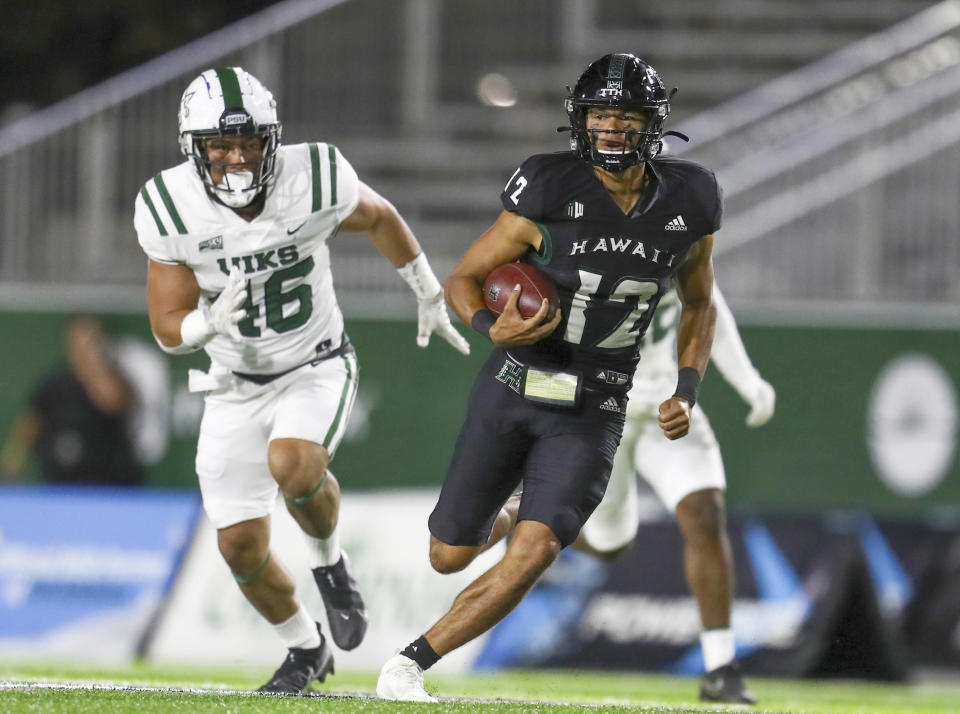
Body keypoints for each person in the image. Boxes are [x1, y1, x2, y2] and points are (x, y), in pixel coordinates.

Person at [377, 53, 721, 702]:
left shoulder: (692, 197)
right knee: (448, 554)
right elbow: (464, 277)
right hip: (515, 382)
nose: (611, 130)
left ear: (652, 125)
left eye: (625, 118)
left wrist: (686, 385)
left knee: (537, 550)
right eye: (600, 116)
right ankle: (511, 507)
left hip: (599, 401)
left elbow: (700, 302)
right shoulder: (547, 187)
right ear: (579, 121)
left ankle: (409, 663)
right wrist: (486, 325)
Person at [133, 66, 469, 694]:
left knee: (293, 463)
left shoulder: (312, 177)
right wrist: (204, 327)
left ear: (272, 140)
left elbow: (379, 216)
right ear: (193, 148)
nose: (236, 158)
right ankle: (305, 649)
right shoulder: (168, 206)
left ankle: (329, 563)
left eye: (249, 142)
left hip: (316, 360)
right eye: (220, 145)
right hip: (233, 380)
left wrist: (425, 290)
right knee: (239, 547)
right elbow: (165, 325)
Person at [575, 281, 775, 704]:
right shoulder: (590, 226)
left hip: (665, 399)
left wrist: (748, 381)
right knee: (611, 543)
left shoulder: (683, 228)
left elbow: (707, 304)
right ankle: (528, 515)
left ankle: (721, 669)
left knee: (705, 511)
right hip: (598, 402)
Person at [1, 314, 144, 486]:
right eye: (77, 341)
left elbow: (114, 402)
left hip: (106, 485)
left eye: (89, 341)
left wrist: (92, 368)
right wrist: (15, 457)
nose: (82, 348)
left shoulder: (116, 379)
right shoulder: (53, 384)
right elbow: (31, 423)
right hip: (58, 483)